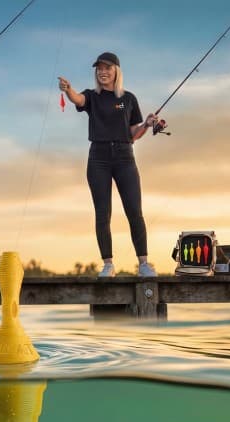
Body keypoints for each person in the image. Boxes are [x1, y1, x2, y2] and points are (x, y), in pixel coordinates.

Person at [58, 52, 165, 278]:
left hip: (125, 157)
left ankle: (143, 264)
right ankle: (108, 264)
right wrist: (68, 90)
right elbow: (78, 99)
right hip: (98, 158)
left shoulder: (129, 99)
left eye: (107, 68)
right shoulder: (92, 96)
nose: (102, 72)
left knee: (134, 211)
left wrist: (146, 124)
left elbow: (133, 134)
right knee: (102, 213)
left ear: (117, 70)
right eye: (99, 68)